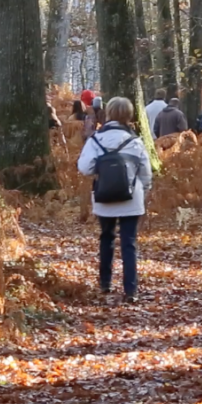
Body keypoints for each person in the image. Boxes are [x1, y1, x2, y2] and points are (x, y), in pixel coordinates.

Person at [77, 97, 153, 304]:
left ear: (108, 113)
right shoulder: (135, 142)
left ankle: (105, 283)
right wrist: (143, 191)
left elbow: (84, 168)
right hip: (132, 198)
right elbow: (146, 173)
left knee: (106, 238)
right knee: (129, 243)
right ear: (129, 115)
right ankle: (131, 290)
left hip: (104, 196)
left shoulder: (96, 140)